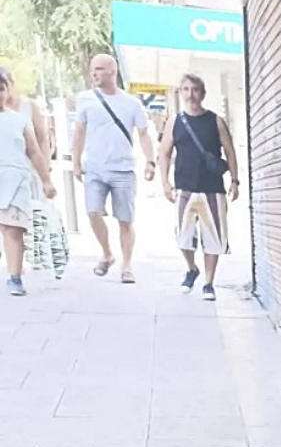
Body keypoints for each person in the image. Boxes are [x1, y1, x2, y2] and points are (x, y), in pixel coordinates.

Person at [71, 53, 156, 283]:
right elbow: (79, 132)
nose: (94, 74)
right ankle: (107, 253)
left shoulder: (131, 103)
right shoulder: (85, 99)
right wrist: (76, 162)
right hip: (95, 168)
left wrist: (150, 160)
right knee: (92, 212)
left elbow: (144, 133)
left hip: (123, 169)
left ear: (112, 71)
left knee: (125, 220)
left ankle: (127, 265)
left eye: (99, 69)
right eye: (92, 70)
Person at [158, 73, 240, 302]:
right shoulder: (175, 121)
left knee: (214, 237)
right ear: (180, 93)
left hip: (212, 188)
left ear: (202, 93)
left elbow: (230, 151)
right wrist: (165, 182)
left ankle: (208, 283)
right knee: (183, 237)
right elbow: (164, 153)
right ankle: (192, 268)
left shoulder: (215, 121)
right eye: (185, 89)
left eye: (194, 89)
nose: (190, 94)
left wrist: (234, 180)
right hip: (184, 187)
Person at [0, 67, 67, 280]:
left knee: (13, 229)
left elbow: (36, 150)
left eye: (1, 88)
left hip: (17, 180)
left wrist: (46, 178)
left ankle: (15, 275)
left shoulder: (20, 119)